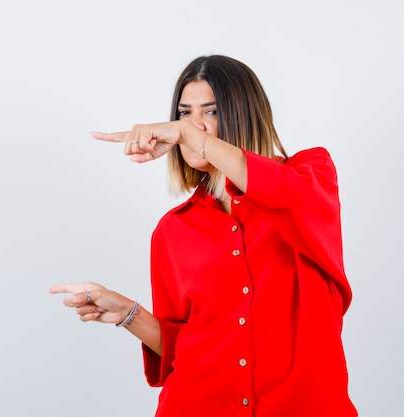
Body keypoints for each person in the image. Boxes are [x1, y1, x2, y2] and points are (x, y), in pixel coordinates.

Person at [49, 55, 357, 417]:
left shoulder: (309, 176)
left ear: (244, 114)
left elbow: (285, 195)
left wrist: (188, 134)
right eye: (184, 114)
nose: (195, 125)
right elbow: (185, 348)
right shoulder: (172, 231)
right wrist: (127, 314)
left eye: (210, 112)